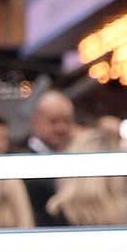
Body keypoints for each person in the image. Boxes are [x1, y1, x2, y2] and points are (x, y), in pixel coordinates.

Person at [12, 89, 77, 224]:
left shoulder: (76, 160)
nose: (61, 128)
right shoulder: (18, 161)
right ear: (35, 120)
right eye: (53, 121)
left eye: (67, 121)